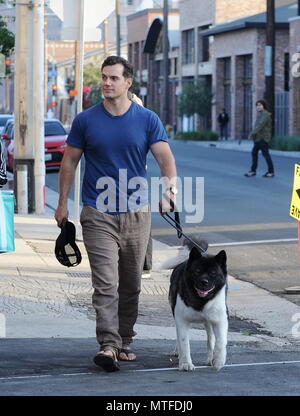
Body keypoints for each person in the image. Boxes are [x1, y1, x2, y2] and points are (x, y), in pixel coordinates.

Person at [54, 55, 177, 372]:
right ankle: (108, 344)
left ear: (128, 82)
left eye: (113, 78)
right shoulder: (86, 120)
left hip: (137, 213)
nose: (106, 83)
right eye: (104, 78)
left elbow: (165, 158)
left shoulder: (147, 119)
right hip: (98, 212)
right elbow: (69, 162)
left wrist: (169, 191)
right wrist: (62, 203)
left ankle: (125, 339)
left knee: (131, 284)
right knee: (106, 283)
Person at [244, 100, 274, 178]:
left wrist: (252, 133)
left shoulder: (265, 114)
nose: (258, 106)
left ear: (263, 106)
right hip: (258, 138)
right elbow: (258, 125)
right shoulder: (261, 114)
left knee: (266, 155)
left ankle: (271, 172)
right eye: (257, 105)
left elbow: (260, 125)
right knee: (254, 153)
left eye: (260, 105)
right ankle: (253, 171)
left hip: (263, 138)